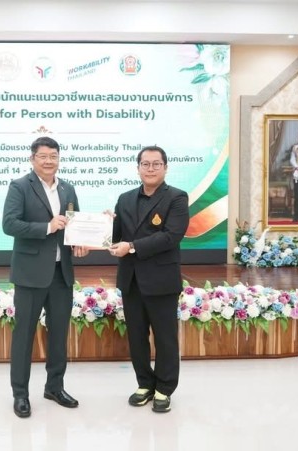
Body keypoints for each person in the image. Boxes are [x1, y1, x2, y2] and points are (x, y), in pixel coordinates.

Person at [2, 136, 89, 419]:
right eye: (43, 156)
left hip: (61, 273)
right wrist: (47, 227)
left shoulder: (68, 188)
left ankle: (54, 387)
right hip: (30, 274)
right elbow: (9, 224)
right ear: (32, 159)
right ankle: (20, 394)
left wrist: (80, 242)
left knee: (59, 334)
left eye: (53, 156)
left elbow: (74, 225)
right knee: (24, 335)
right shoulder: (19, 186)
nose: (49, 161)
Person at [109, 145, 188, 413]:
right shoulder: (125, 198)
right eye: (145, 164)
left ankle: (164, 388)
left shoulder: (177, 197)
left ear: (165, 167)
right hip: (131, 280)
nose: (150, 168)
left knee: (165, 338)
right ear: (138, 168)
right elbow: (115, 236)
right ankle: (144, 384)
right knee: (136, 337)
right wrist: (106, 224)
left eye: (156, 164)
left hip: (161, 279)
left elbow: (171, 236)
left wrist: (132, 247)